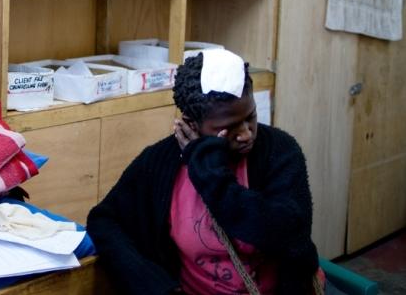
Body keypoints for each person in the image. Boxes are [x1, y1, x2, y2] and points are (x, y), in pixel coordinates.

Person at [87, 49, 322, 295]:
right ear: (191, 123)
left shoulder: (279, 150)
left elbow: (286, 233)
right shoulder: (159, 162)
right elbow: (103, 220)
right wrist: (156, 286)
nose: (246, 134)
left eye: (251, 116)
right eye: (227, 128)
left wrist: (210, 171)